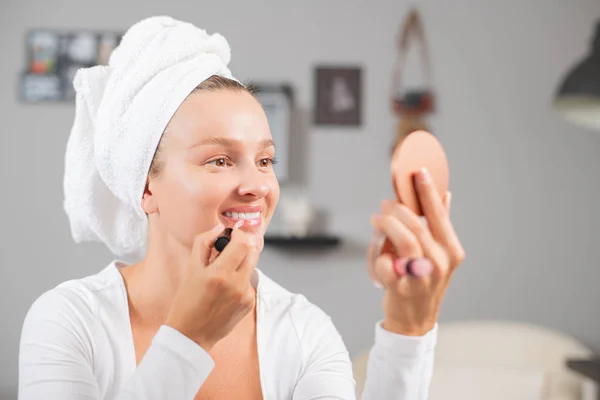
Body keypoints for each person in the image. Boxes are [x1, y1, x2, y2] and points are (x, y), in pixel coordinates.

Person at [18, 16, 465, 400]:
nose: (258, 186)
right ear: (146, 188)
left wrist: (409, 330)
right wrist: (188, 340)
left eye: (265, 160)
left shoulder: (303, 331)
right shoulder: (69, 322)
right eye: (220, 160)